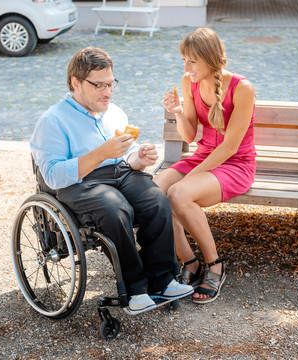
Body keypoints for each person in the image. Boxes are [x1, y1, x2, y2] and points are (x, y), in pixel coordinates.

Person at [29, 47, 193, 315]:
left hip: (120, 173)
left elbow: (126, 156)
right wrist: (101, 153)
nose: (107, 92)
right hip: (78, 183)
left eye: (111, 84)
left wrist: (138, 157)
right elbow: (53, 176)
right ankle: (135, 288)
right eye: (99, 85)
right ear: (75, 82)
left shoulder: (113, 111)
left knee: (157, 200)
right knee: (116, 209)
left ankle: (162, 280)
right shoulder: (53, 121)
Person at [154, 27, 257, 304]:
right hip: (204, 156)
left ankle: (214, 265)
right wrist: (178, 112)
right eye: (184, 61)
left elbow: (230, 147)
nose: (186, 68)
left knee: (178, 193)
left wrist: (188, 179)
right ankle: (190, 263)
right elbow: (189, 136)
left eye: (192, 61)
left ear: (210, 59)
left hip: (234, 163)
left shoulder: (242, 88)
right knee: (154, 192)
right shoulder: (190, 81)